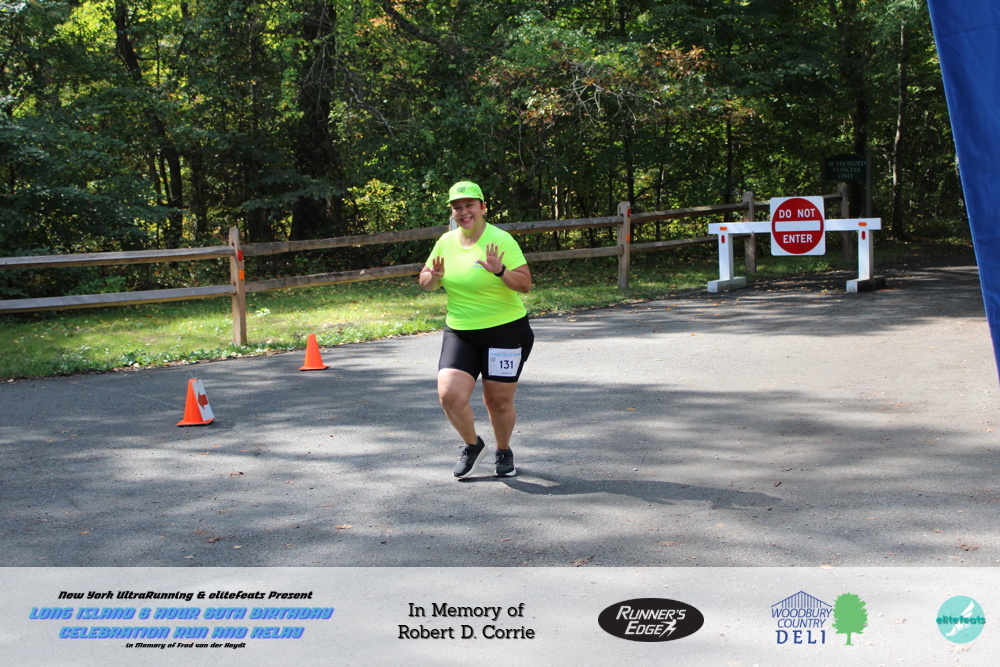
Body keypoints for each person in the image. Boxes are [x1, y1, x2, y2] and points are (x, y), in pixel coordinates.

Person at [419, 181, 534, 478]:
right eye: (457, 207)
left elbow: (525, 284)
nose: (464, 211)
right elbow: (426, 282)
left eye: (470, 205)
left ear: (483, 207)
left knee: (497, 401)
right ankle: (473, 445)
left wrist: (500, 271)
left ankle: (503, 450)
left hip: (505, 332)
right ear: (452, 212)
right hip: (461, 332)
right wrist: (435, 276)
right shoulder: (446, 241)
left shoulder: (501, 240)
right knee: (449, 395)